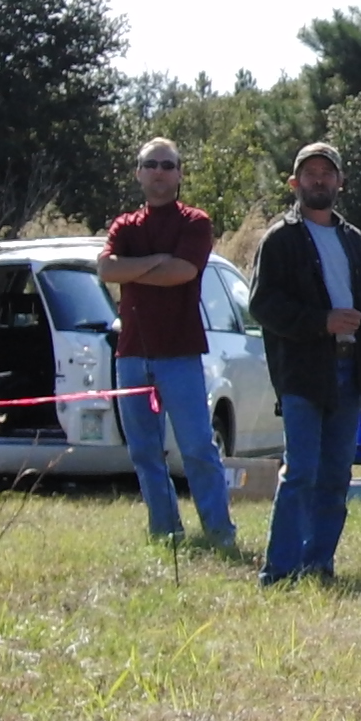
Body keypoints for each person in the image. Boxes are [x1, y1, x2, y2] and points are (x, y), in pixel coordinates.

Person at [248, 141, 361, 585]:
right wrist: (321, 322)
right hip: (303, 373)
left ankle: (318, 565)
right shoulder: (280, 239)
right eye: (310, 174)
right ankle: (279, 572)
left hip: (350, 372)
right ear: (294, 183)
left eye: (327, 173)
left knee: (336, 476)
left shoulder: (352, 240)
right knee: (301, 473)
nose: (319, 181)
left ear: (340, 182)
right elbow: (263, 305)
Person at [96, 137, 238, 549]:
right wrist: (157, 261)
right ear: (139, 173)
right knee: (144, 451)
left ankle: (219, 531)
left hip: (180, 353)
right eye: (151, 165)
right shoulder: (125, 225)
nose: (159, 172)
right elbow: (106, 269)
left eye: (167, 165)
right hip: (131, 354)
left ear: (179, 174)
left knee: (196, 447)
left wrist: (133, 270)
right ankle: (165, 530)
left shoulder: (195, 221)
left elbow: (182, 272)